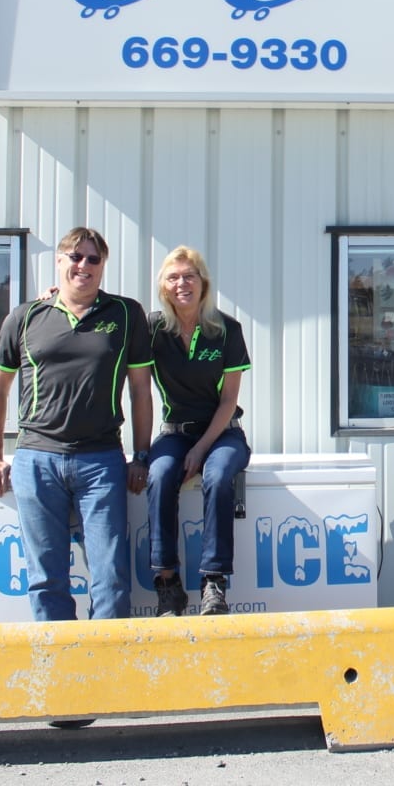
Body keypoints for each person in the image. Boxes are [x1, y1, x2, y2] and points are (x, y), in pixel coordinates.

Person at [0, 227, 154, 623]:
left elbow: (141, 391)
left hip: (102, 461)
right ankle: (60, 668)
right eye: (75, 257)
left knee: (110, 578)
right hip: (36, 459)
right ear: (59, 262)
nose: (84, 266)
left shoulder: (126, 315)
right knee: (46, 578)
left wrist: (141, 455)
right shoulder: (25, 317)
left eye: (93, 259)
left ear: (103, 266)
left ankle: (106, 669)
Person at [143, 245, 253, 617]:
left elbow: (228, 401)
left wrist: (202, 448)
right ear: (163, 286)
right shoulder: (153, 328)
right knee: (158, 474)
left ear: (203, 282)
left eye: (189, 275)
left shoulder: (226, 329)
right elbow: (105, 324)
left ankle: (214, 583)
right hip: (176, 432)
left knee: (219, 474)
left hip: (223, 433)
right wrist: (53, 297)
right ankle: (168, 583)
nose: (182, 284)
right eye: (173, 277)